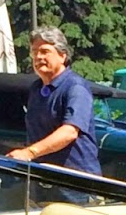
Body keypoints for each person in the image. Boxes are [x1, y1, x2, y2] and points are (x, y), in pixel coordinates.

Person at [9, 27, 102, 174]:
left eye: (45, 51)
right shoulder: (36, 88)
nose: (38, 57)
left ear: (62, 56)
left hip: (75, 183)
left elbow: (70, 132)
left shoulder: (75, 87)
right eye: (34, 52)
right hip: (40, 176)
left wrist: (29, 153)